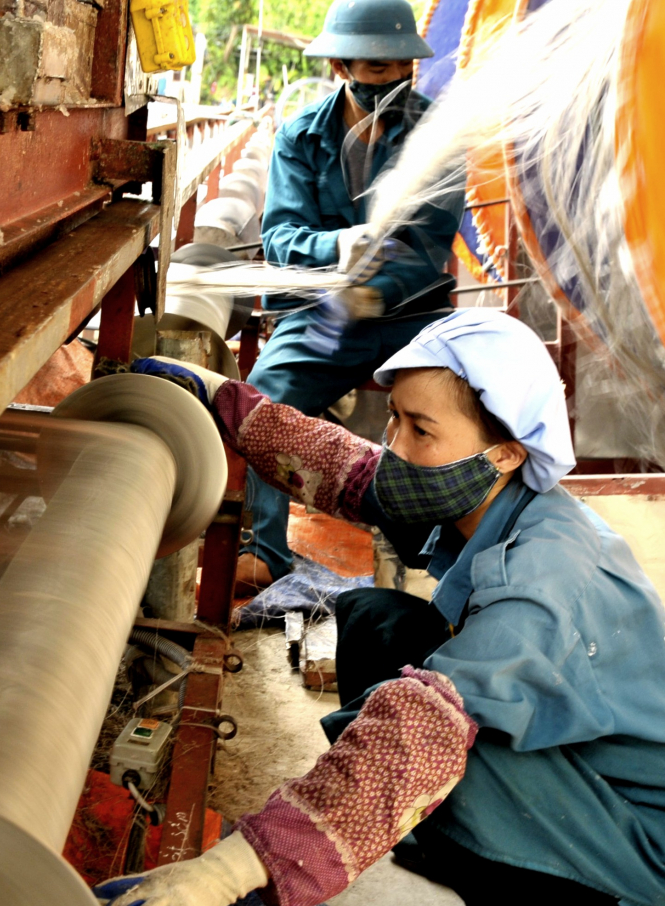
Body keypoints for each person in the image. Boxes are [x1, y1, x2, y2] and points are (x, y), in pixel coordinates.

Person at [98, 309, 665, 905]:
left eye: (421, 430)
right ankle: (450, 837)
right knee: (377, 622)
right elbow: (353, 471)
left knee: (434, 757)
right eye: (395, 418)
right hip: (570, 753)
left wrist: (234, 871)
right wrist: (222, 401)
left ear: (506, 452)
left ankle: (535, 881)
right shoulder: (484, 488)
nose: (395, 444)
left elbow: (417, 737)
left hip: (631, 827)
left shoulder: (544, 584)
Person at [235, 0, 465, 595]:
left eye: (398, 67)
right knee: (264, 400)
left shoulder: (439, 138)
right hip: (320, 315)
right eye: (375, 69)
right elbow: (282, 238)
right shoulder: (299, 137)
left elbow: (428, 245)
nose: (389, 79)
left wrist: (373, 292)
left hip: (412, 314)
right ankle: (265, 550)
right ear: (342, 66)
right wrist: (341, 248)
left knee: (456, 406)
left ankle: (438, 557)